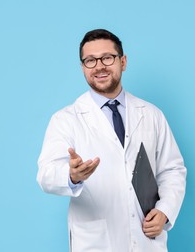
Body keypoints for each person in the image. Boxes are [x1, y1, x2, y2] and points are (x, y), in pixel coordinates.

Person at [37, 29, 186, 252]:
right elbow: (45, 175)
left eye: (107, 57)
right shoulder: (65, 119)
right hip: (96, 242)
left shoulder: (152, 114)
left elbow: (172, 169)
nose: (99, 66)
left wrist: (165, 210)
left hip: (147, 239)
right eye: (90, 60)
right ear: (82, 68)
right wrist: (71, 176)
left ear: (123, 62)